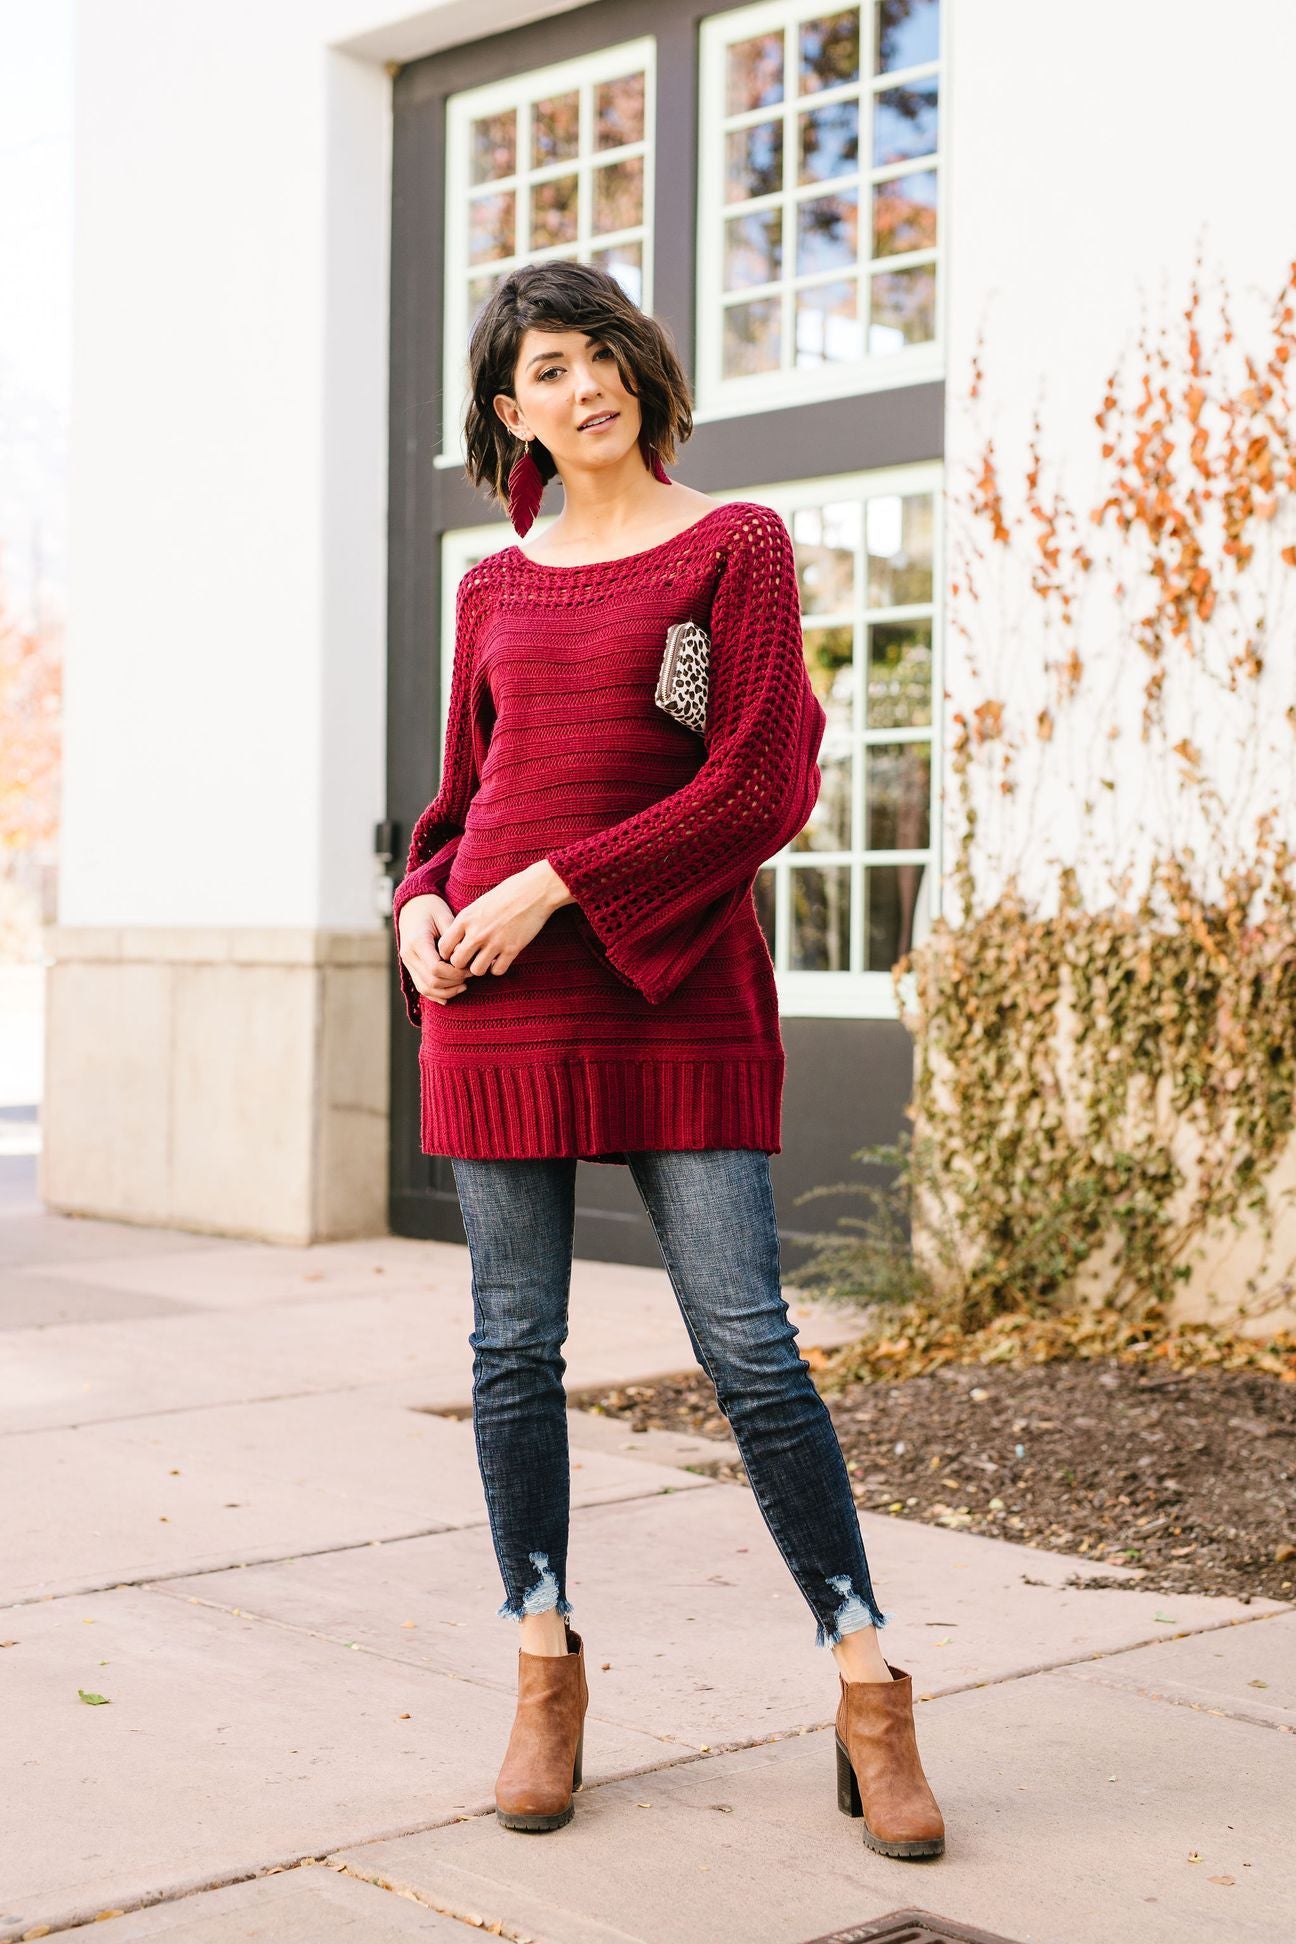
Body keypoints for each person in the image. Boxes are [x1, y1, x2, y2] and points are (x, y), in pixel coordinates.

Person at [392, 258, 944, 1859]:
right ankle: (544, 1669)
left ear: (639, 368)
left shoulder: (732, 547)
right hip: (495, 1002)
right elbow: (460, 807)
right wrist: (422, 906)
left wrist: (555, 886)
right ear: (511, 416)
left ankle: (867, 1683)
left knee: (750, 1348)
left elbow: (761, 782)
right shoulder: (493, 589)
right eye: (548, 371)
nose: (586, 386)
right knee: (513, 1351)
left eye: (602, 354)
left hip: (677, 987)